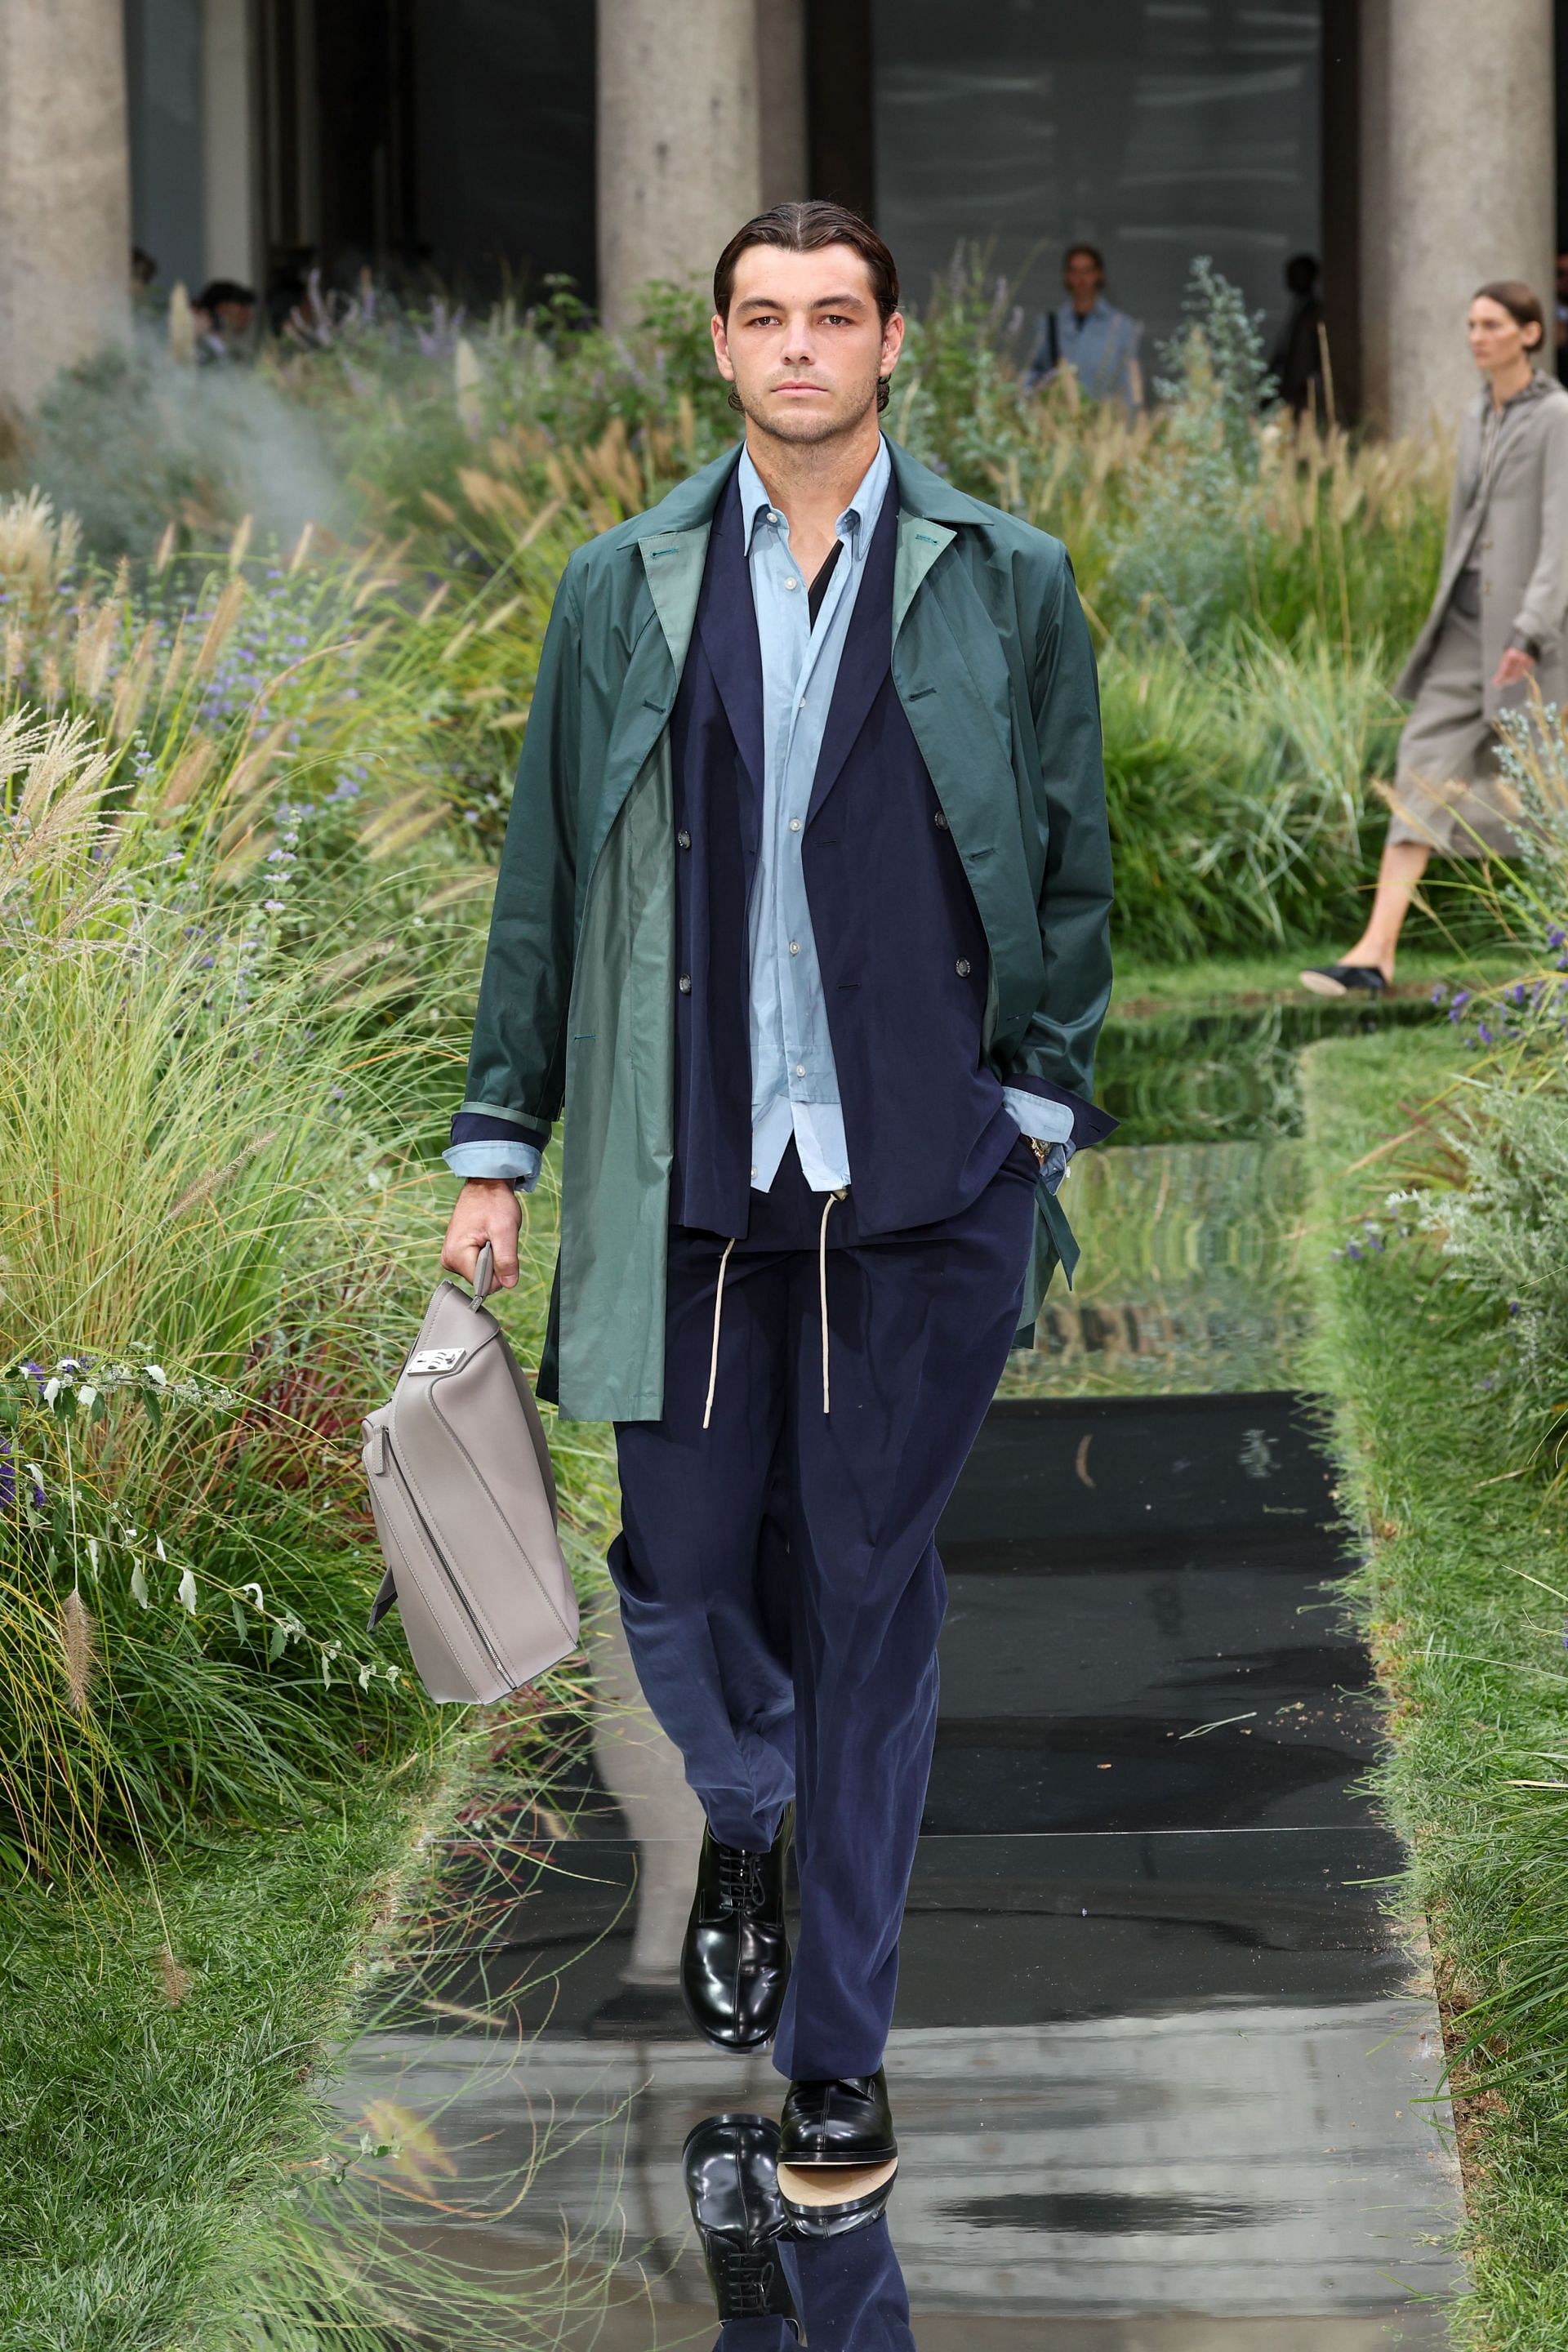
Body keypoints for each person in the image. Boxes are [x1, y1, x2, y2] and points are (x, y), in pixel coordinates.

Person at [439, 199, 1113, 2262]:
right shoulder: (619, 587)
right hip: (688, 1178)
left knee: (872, 1593)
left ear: (894, 342)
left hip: (922, 1189)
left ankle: (840, 2036)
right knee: (677, 1563)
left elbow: (1076, 861)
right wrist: (498, 1140)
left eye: (836, 315)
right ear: (721, 351)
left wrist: (1034, 1109)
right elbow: (547, 871)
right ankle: (748, 1808)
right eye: (765, 318)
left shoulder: (1004, 582)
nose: (800, 347)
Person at [1302, 279, 1568, 996]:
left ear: (1530, 334)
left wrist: (1533, 630)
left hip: (1527, 638)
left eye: (1492, 324)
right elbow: (1461, 529)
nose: (1477, 336)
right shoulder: (1477, 412)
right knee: (1420, 766)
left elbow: (1561, 535)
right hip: (1461, 632)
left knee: (1548, 797)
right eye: (1471, 324)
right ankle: (1373, 955)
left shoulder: (1558, 418)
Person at [1025, 242, 1143, 415]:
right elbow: (1034, 375)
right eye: (1075, 271)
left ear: (1099, 275)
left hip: (1105, 425)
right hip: (1059, 423)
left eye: (1087, 271)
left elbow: (1129, 386)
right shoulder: (1049, 324)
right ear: (1067, 276)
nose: (1081, 279)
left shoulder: (1122, 327)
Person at [1269, 252, 1325, 420]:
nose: (1290, 279)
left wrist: (1310, 382)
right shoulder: (1297, 308)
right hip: (1291, 385)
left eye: (1296, 274)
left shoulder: (1316, 311)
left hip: (1304, 387)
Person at [191, 278, 257, 361]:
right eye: (243, 307)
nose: (249, 315)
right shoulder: (198, 352)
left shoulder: (232, 352)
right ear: (222, 309)